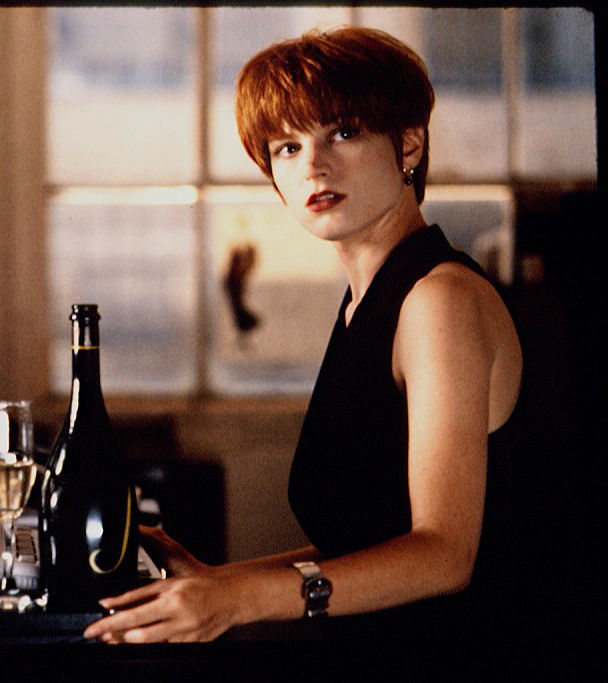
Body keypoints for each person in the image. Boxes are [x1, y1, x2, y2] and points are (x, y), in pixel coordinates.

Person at [83, 26, 525, 644]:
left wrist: (240, 600)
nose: (313, 165)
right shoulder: (367, 301)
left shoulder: (438, 300)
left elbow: (443, 556)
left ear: (409, 143)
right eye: (287, 147)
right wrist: (217, 579)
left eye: (343, 133)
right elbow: (371, 543)